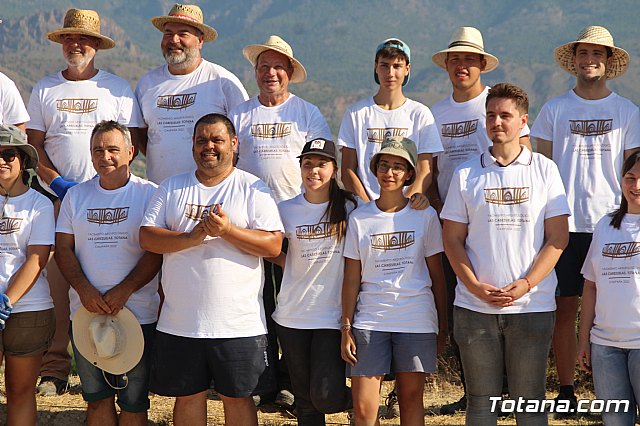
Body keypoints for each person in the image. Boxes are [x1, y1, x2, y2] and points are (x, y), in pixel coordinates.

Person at [26, 8, 144, 395]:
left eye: (83, 39)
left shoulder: (117, 89)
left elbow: (134, 143)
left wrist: (109, 180)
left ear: (96, 45)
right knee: (62, 282)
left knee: (114, 270)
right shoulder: (45, 88)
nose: (75, 45)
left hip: (110, 194)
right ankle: (57, 367)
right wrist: (58, 182)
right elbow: (34, 146)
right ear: (62, 43)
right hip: (60, 199)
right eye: (69, 39)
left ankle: (121, 358)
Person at [139, 113, 283, 425]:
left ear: (233, 144)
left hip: (238, 325)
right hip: (180, 323)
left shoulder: (252, 187)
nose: (209, 147)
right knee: (188, 397)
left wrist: (228, 231)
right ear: (192, 145)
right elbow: (147, 237)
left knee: (238, 399)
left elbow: (273, 246)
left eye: (217, 140)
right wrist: (192, 236)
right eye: (202, 140)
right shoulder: (171, 187)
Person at [442, 83, 570, 425]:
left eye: (505, 115)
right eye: (490, 115)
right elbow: (452, 239)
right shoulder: (467, 173)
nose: (497, 122)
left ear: (523, 121)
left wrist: (526, 284)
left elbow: (558, 238)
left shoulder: (545, 170)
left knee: (529, 402)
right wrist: (473, 286)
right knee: (481, 403)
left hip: (532, 305)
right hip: (475, 306)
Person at [530, 25, 640, 410]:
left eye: (598, 54)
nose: (589, 60)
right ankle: (566, 389)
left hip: (611, 225)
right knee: (564, 308)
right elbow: (539, 168)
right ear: (573, 60)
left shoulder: (627, 111)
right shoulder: (554, 110)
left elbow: (635, 170)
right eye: (583, 53)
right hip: (563, 224)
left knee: (611, 306)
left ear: (609, 62)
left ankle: (608, 387)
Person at [430, 26, 531, 414]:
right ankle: (475, 389)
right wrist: (442, 211)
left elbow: (524, 156)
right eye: (455, 58)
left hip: (499, 219)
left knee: (502, 301)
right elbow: (431, 167)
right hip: (453, 221)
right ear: (447, 65)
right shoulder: (435, 113)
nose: (461, 65)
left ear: (482, 65)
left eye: (469, 59)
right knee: (467, 308)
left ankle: (507, 390)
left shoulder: (498, 105)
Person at [230, 34, 332, 408]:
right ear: (255, 72)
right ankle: (261, 379)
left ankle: (290, 380)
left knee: (292, 300)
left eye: (277, 67)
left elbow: (324, 164)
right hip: (251, 225)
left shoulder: (307, 114)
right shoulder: (240, 115)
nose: (270, 73)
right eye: (263, 67)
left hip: (296, 225)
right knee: (253, 301)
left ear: (289, 72)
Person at [55, 121, 161, 426]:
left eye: (113, 149)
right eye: (98, 150)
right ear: (90, 155)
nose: (106, 156)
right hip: (85, 314)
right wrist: (84, 290)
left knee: (134, 404)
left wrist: (125, 290)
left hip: (137, 314)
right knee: (97, 402)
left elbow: (155, 251)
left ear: (130, 152)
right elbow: (63, 249)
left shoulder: (150, 194)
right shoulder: (76, 197)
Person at [341, 136, 447, 426]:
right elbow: (352, 278)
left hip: (416, 319)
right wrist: (346, 326)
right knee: (363, 410)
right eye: (384, 165)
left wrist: (443, 325)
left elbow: (437, 275)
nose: (389, 173)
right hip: (370, 320)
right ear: (375, 170)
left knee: (411, 401)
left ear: (409, 173)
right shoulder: (360, 218)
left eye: (398, 167)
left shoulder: (424, 215)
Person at [271, 138, 354, 424]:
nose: (313, 171)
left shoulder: (351, 208)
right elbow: (270, 249)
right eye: (308, 164)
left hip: (331, 316)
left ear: (334, 169)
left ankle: (359, 400)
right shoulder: (285, 209)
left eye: (321, 164)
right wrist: (288, 263)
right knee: (305, 404)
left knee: (326, 395)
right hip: (292, 315)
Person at [136, 3, 248, 184]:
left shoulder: (223, 82)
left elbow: (243, 138)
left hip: (212, 193)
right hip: (159, 191)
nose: (174, 40)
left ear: (200, 40)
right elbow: (142, 136)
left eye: (183, 34)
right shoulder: (146, 84)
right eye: (168, 33)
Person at [338, 38, 442, 205]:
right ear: (375, 67)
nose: (390, 73)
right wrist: (369, 207)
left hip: (407, 210)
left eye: (397, 66)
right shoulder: (356, 113)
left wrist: (403, 206)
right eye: (384, 65)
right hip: (364, 209)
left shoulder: (420, 114)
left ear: (407, 69)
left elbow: (425, 170)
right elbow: (348, 170)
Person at [578, 151, 640, 426]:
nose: (636, 186)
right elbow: (591, 286)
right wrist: (584, 340)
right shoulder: (605, 225)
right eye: (630, 178)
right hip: (605, 347)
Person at [0, 125, 55, 425]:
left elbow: (37, 258)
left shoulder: (40, 205)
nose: (2, 161)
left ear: (23, 160)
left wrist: (4, 301)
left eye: (8, 154)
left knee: (20, 393)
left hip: (29, 311)